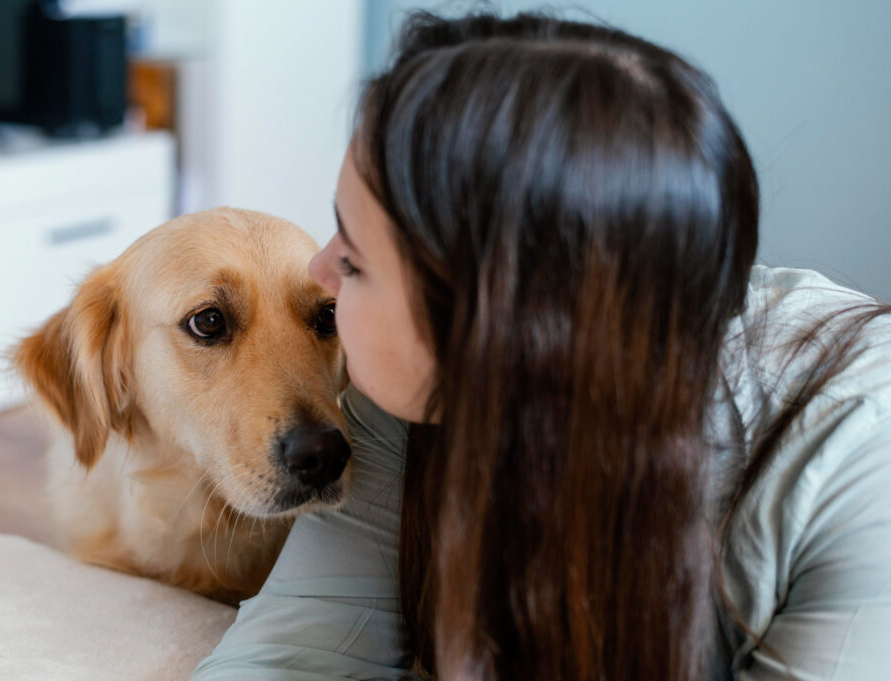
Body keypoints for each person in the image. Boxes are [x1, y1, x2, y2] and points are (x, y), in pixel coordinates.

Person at [191, 10, 891, 681]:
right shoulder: (404, 399)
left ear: (498, 326)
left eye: (358, 260)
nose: (321, 269)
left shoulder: (858, 471)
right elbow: (286, 657)